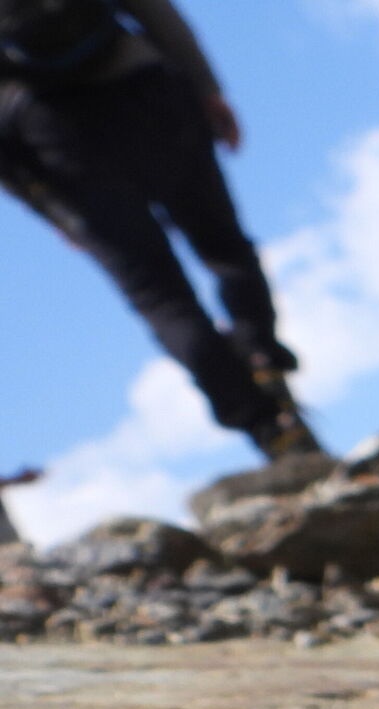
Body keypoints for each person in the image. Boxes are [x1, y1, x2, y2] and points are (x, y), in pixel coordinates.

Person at [0, 0, 321, 460]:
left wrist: (48, 208)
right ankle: (262, 358)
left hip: (56, 135)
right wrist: (208, 89)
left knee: (161, 299)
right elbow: (158, 12)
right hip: (146, 90)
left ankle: (266, 425)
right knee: (225, 248)